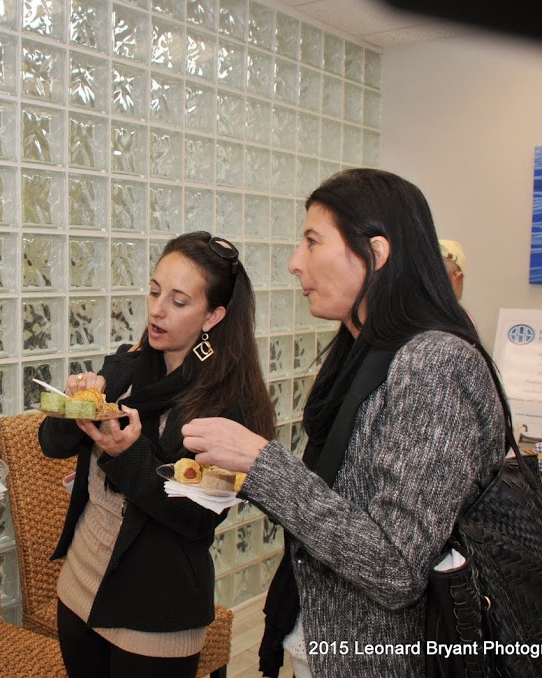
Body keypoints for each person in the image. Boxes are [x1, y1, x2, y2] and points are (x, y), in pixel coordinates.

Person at [182, 169, 509, 677]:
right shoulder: (364, 351)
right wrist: (243, 472)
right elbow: (338, 501)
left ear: (375, 254)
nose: (295, 263)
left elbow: (396, 567)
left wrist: (263, 463)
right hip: (320, 641)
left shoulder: (435, 365)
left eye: (312, 241)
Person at [38, 232, 276, 678]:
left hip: (155, 610)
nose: (157, 310)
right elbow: (51, 445)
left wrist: (127, 455)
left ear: (213, 316)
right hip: (80, 583)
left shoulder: (230, 405)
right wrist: (75, 408)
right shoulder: (128, 365)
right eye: (154, 291)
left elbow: (197, 517)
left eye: (179, 301)